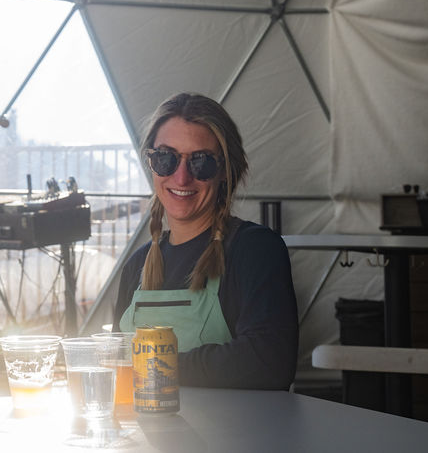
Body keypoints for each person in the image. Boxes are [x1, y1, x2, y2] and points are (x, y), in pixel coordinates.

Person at [114, 92, 298, 390]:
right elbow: (116, 365)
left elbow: (269, 362)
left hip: (231, 436)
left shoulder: (254, 250)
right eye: (166, 158)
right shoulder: (137, 265)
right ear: (151, 163)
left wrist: (152, 366)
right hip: (146, 435)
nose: (182, 177)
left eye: (201, 162)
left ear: (225, 171)